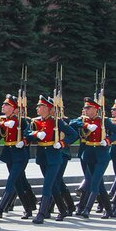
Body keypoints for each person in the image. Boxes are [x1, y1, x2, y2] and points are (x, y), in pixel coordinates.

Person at [26, 95, 79, 224]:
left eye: (41, 106)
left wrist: (62, 143)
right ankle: (62, 209)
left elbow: (73, 134)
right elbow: (25, 133)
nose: (38, 108)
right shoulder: (35, 121)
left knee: (48, 184)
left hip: (54, 156)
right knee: (53, 185)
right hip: (42, 156)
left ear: (49, 108)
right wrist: (35, 134)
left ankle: (41, 213)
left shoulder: (57, 122)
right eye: (38, 106)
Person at [68, 97, 116, 219]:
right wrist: (85, 124)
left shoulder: (104, 121)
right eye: (85, 108)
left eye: (88, 108)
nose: (85, 110)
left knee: (95, 181)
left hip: (101, 154)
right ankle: (108, 210)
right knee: (98, 184)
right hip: (88, 154)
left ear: (96, 109)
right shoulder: (82, 119)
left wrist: (108, 140)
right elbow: (71, 123)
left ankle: (87, 208)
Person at [0, 94, 33, 218]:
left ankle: (0, 209)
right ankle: (28, 208)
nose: (3, 106)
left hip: (20, 155)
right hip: (9, 154)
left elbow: (29, 134)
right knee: (18, 183)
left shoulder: (21, 121)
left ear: (15, 109)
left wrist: (23, 141)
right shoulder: (3, 121)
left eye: (7, 104)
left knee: (11, 181)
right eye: (4, 104)